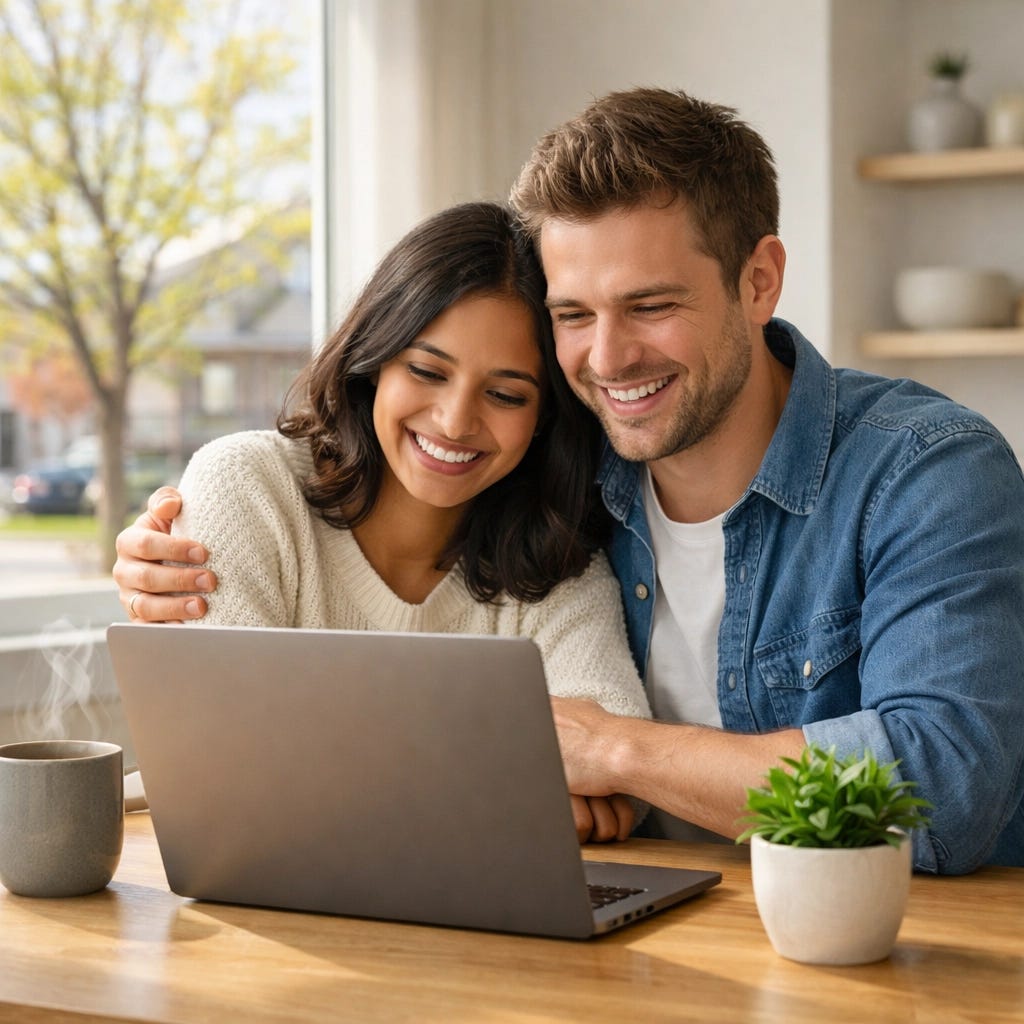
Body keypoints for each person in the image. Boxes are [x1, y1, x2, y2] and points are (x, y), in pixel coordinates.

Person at [115, 89, 1024, 874]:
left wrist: (615, 751)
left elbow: (944, 783)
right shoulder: (568, 477)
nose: (609, 357)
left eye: (651, 305)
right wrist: (169, 559)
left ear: (759, 280)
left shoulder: (925, 471)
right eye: (573, 315)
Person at [114, 201, 651, 844]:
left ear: (544, 420)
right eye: (426, 371)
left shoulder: (557, 560)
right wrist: (511, 777)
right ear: (374, 362)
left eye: (506, 394)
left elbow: (617, 766)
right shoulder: (246, 487)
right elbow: (230, 758)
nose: (455, 421)